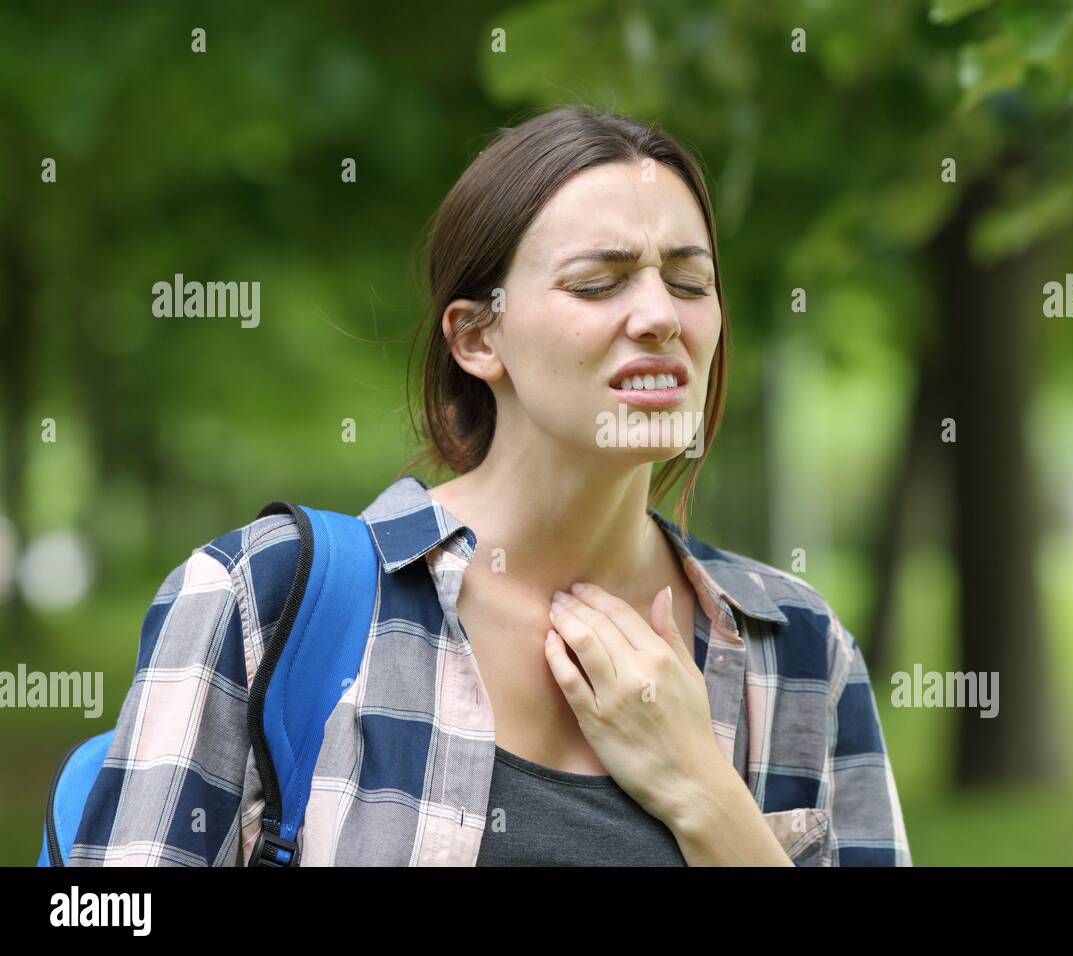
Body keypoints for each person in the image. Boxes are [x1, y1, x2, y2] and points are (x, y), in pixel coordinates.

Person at [67, 106, 910, 867]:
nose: (661, 315)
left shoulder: (800, 649)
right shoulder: (260, 600)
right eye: (598, 282)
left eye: (689, 281)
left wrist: (707, 797)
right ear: (478, 338)